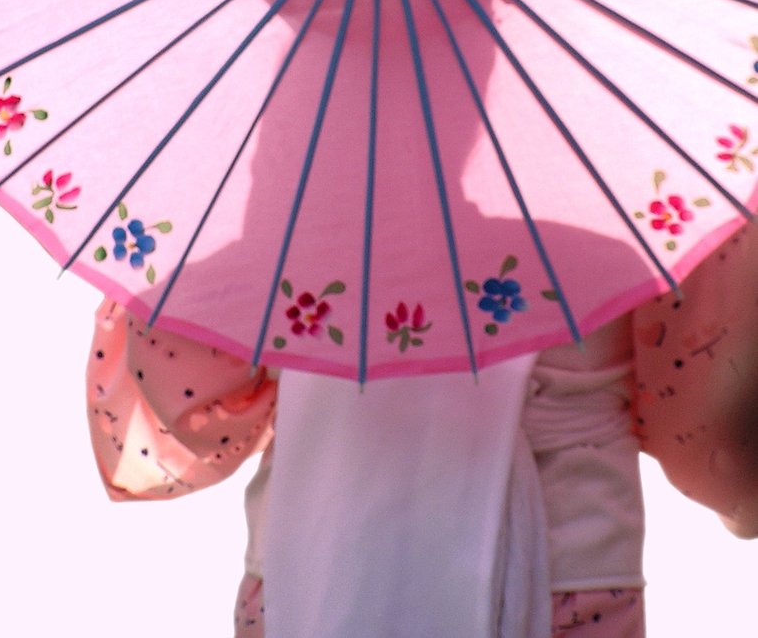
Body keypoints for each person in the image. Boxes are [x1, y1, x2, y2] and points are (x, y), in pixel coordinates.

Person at [87, 220, 758, 637]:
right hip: (566, 576)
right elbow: (710, 414)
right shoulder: (637, 191)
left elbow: (188, 400)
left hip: (311, 567)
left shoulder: (288, 216)